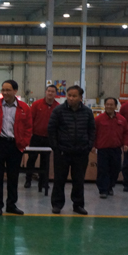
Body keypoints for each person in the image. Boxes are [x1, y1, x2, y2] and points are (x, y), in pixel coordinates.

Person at [0, 80, 32, 216]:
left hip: (15, 145)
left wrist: (24, 142)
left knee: (13, 176)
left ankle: (11, 205)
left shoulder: (24, 108)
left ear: (15, 91)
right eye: (3, 90)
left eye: (8, 90)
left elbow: (28, 127)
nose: (5, 92)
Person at [47, 85, 95, 215]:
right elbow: (51, 130)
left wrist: (88, 146)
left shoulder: (87, 112)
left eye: (74, 96)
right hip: (62, 152)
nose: (71, 98)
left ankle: (78, 205)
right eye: (69, 95)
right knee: (59, 179)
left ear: (80, 97)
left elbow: (92, 130)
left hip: (81, 152)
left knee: (79, 180)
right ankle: (57, 204)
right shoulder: (58, 111)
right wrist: (56, 147)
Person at [94, 98, 128, 199]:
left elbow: (126, 132)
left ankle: (110, 186)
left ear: (116, 106)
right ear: (105, 105)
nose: (109, 106)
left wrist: (126, 144)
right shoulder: (98, 119)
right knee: (103, 170)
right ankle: (103, 190)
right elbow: (93, 133)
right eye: (107, 104)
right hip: (103, 149)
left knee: (116, 169)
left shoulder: (121, 119)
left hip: (116, 149)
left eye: (111, 104)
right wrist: (93, 145)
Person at [25, 85, 59, 190]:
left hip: (49, 138)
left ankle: (44, 182)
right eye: (49, 91)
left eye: (52, 91)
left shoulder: (58, 107)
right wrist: (29, 134)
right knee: (32, 159)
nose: (50, 93)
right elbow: (29, 119)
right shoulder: (36, 104)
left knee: (45, 161)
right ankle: (28, 180)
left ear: (55, 94)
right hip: (36, 137)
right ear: (46, 92)